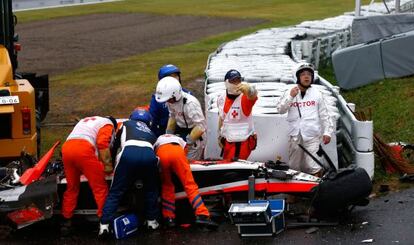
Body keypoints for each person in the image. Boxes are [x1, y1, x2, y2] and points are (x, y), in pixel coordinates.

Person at [99, 109, 160, 237]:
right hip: (149, 155)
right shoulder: (152, 132)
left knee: (116, 192)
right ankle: (151, 221)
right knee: (151, 190)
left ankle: (104, 225)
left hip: (128, 153)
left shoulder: (126, 124)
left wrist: (111, 162)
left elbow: (115, 145)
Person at [60, 116, 117, 235]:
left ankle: (66, 222)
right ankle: (104, 221)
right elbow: (102, 143)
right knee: (100, 187)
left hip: (67, 148)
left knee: (72, 187)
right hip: (84, 149)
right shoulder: (108, 124)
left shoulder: (86, 121)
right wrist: (108, 166)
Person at [276, 63, 334, 176]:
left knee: (314, 165)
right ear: (297, 77)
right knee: (294, 166)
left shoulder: (317, 93)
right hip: (295, 135)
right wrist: (291, 97)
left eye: (309, 74)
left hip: (312, 135)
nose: (306, 77)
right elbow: (280, 110)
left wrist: (328, 132)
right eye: (303, 74)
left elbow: (325, 115)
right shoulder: (289, 92)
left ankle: (317, 190)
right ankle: (294, 192)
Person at [154, 134, 217, 229]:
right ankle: (202, 214)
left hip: (161, 152)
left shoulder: (158, 139)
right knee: (189, 185)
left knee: (167, 186)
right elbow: (185, 151)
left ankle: (169, 218)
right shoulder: (179, 139)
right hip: (177, 151)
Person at [155, 76, 206, 160]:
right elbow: (172, 116)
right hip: (183, 133)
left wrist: (188, 142)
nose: (168, 101)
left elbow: (201, 126)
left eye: (169, 99)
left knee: (189, 163)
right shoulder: (171, 101)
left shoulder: (190, 104)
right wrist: (168, 135)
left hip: (195, 136)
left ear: (176, 94)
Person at [217, 69, 258, 161]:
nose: (236, 83)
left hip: (242, 142)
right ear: (226, 83)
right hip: (227, 140)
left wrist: (249, 90)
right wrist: (219, 135)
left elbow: (253, 96)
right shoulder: (221, 98)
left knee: (234, 170)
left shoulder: (245, 97)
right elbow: (221, 117)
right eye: (233, 81)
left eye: (238, 80)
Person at [149, 64, 191, 137]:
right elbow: (153, 123)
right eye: (170, 77)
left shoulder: (188, 95)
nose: (174, 79)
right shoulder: (157, 99)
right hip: (163, 134)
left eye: (176, 76)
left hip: (184, 134)